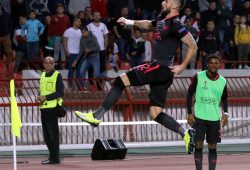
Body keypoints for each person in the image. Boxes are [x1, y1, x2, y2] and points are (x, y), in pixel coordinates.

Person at [75, 0, 197, 154]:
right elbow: (147, 24)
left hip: (159, 67)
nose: (162, 2)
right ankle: (185, 133)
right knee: (155, 113)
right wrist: (128, 22)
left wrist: (183, 65)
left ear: (174, 6)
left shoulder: (175, 24)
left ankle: (96, 116)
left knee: (120, 81)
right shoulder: (161, 20)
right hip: (164, 73)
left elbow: (193, 44)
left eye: (166, 1)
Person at [186, 54, 229, 170]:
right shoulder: (198, 76)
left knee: (212, 147)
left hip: (214, 119)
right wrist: (189, 113)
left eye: (216, 63)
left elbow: (225, 99)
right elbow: (189, 94)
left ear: (219, 64)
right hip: (199, 118)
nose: (214, 65)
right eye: (211, 63)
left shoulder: (223, 81)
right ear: (207, 64)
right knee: (198, 145)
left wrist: (226, 113)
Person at [36, 56, 64, 164]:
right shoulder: (42, 75)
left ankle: (55, 158)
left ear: (53, 65)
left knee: (53, 135)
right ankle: (52, 157)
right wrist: (39, 96)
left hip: (52, 108)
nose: (48, 64)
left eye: (50, 62)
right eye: (46, 62)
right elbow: (42, 90)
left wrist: (46, 97)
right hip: (43, 108)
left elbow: (60, 92)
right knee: (46, 135)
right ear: (43, 64)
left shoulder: (57, 75)